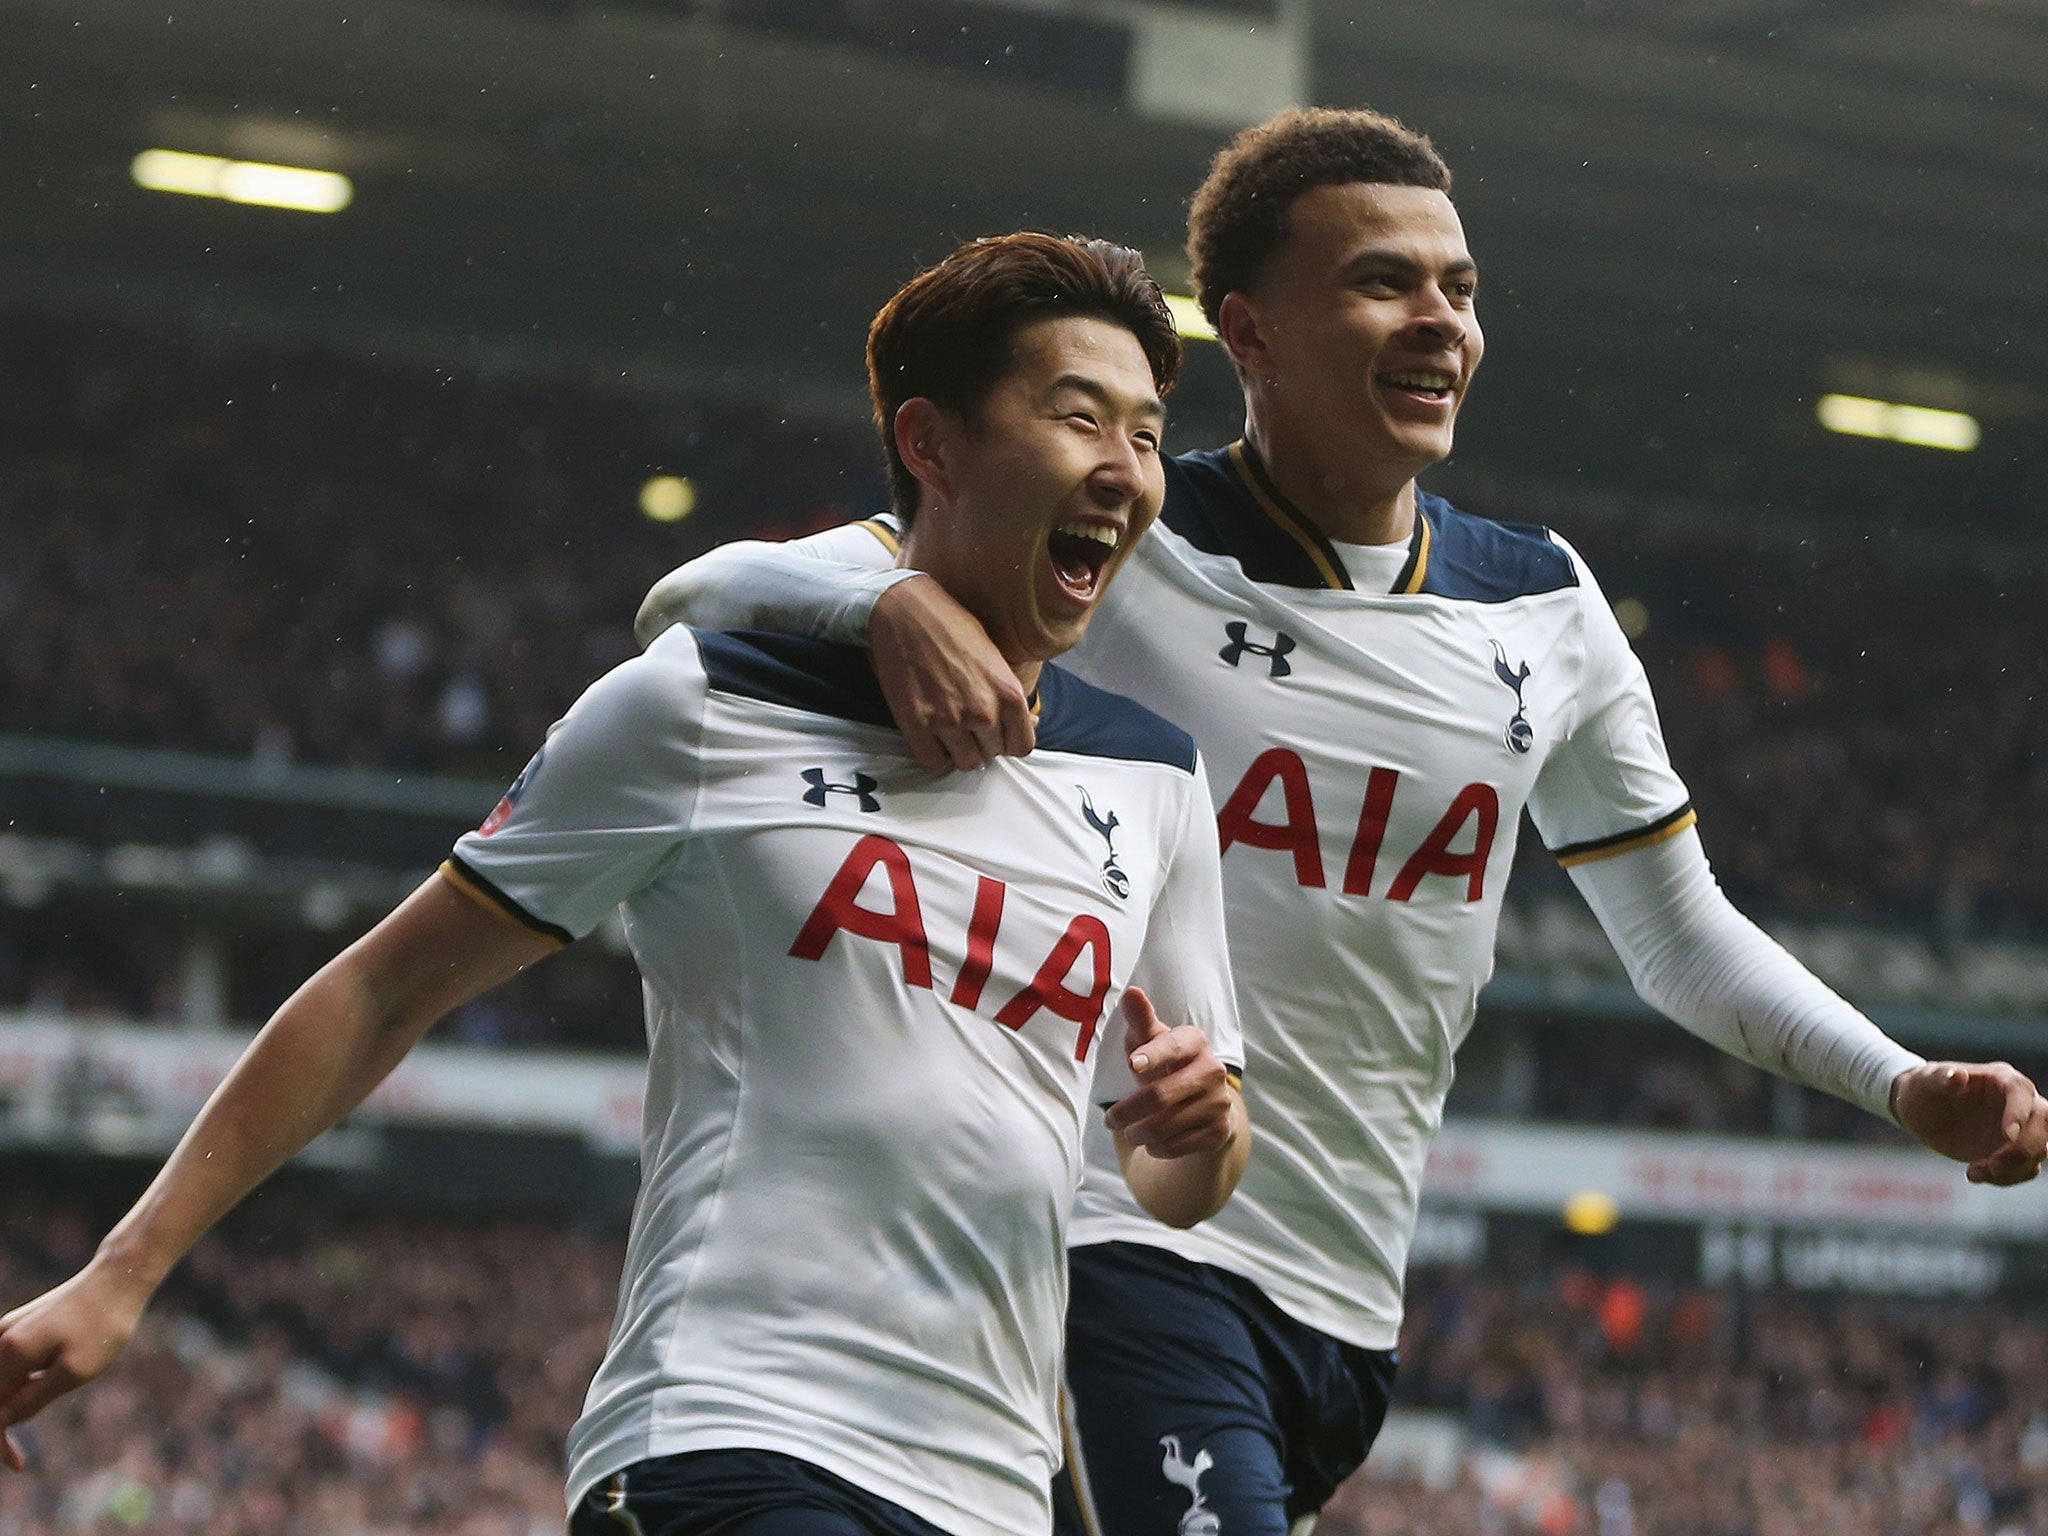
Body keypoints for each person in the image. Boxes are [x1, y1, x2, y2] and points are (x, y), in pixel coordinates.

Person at [630, 109, 2048, 1536]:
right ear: (1247, 334)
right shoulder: (1116, 532)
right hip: (1110, 1239)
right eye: (1386, 282)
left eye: (1463, 289)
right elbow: (699, 597)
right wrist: (888, 602)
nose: (1442, 322)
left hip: (1342, 1309)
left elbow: (1675, 934)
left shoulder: (1545, 607)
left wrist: (1897, 1083)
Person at [0, 232, 1252, 1536]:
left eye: (1152, 435)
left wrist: (1204, 1130)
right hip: (728, 1438)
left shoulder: (1155, 779)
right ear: (931, 446)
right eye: (1079, 419)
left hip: (991, 1492)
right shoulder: (708, 709)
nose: (1128, 470)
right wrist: (120, 1273)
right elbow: (381, 992)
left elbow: (1179, 1180)